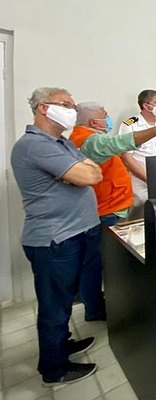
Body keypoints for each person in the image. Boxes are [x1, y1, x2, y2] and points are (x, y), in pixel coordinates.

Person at [11, 87, 106, 385]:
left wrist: (84, 168)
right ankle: (54, 369)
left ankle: (63, 345)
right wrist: (84, 170)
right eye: (65, 104)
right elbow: (90, 175)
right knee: (54, 306)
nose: (72, 110)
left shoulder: (62, 143)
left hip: (76, 232)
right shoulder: (34, 145)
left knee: (64, 301)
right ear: (43, 108)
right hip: (54, 239)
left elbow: (93, 172)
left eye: (73, 105)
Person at [69, 102, 156, 226]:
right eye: (105, 115)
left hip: (115, 204)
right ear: (94, 123)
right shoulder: (90, 141)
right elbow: (123, 143)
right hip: (109, 208)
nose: (108, 118)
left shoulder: (86, 137)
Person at [118, 89, 156, 208]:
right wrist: (150, 180)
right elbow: (126, 157)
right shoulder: (130, 125)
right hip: (139, 183)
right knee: (140, 218)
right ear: (146, 106)